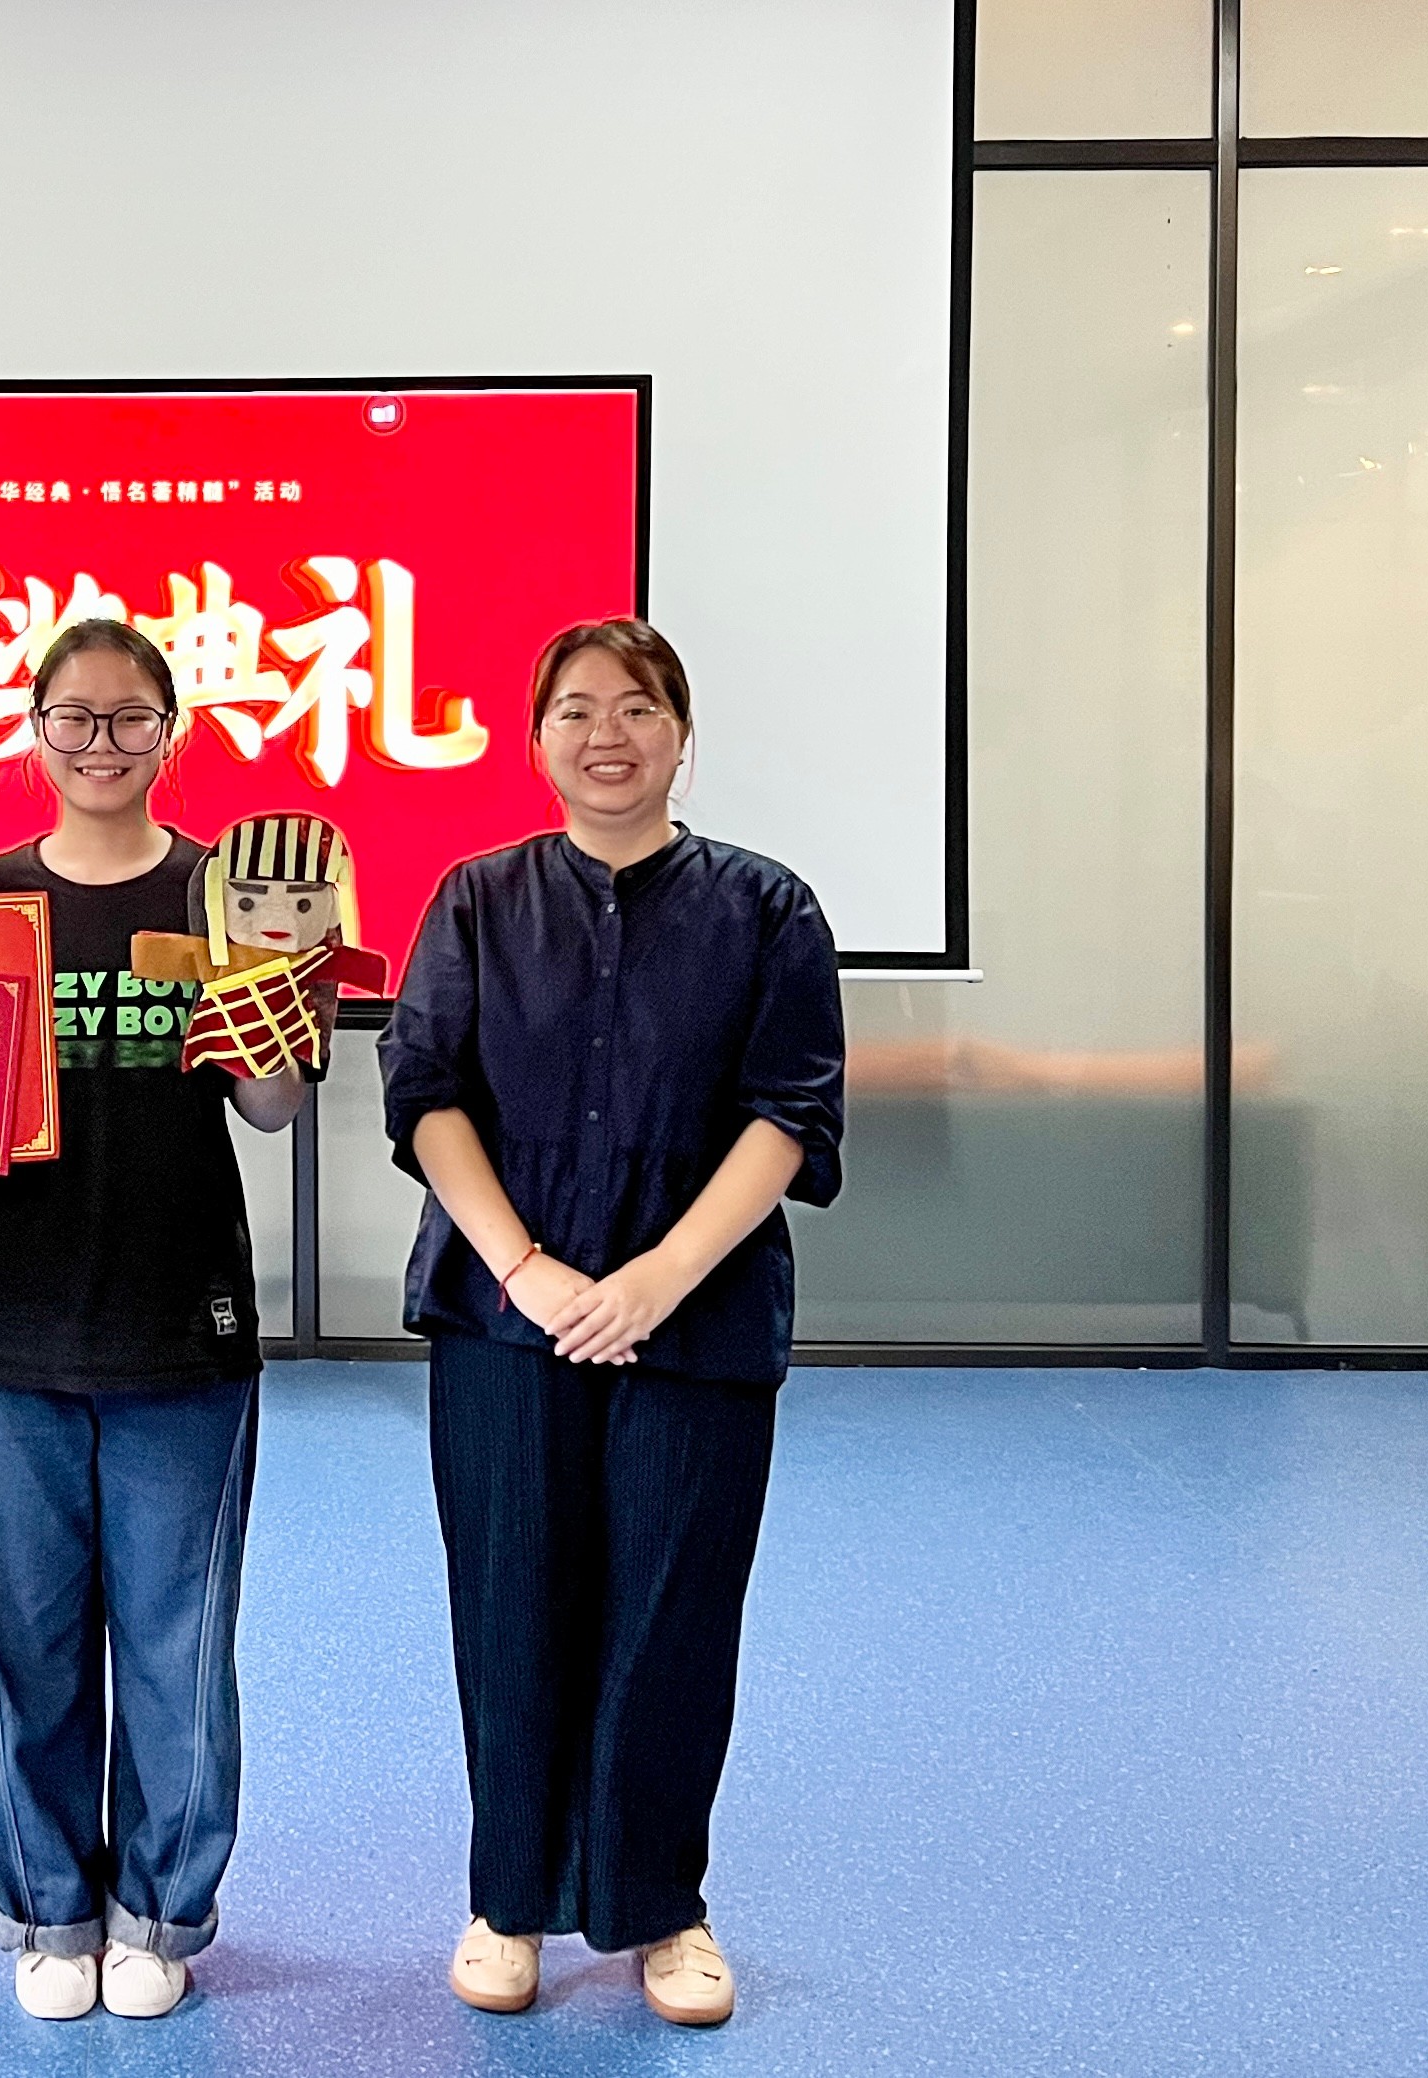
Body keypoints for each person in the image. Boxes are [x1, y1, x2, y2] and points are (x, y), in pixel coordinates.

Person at [377, 618, 844, 2029]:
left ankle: (661, 1907)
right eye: (574, 710)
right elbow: (425, 1095)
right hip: (502, 1315)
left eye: (636, 708)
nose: (606, 735)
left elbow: (789, 1113)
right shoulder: (476, 899)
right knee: (509, 1602)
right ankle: (507, 1899)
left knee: (670, 1611)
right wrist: (523, 1268)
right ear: (536, 741)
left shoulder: (767, 907)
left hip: (696, 1322)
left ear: (680, 734)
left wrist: (659, 1277)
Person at [0, 619, 306, 2022]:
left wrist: (275, 995)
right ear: (34, 731)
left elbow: (272, 1106)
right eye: (74, 717)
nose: (101, 743)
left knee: (175, 1641)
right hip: (5, 1327)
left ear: (170, 731)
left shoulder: (226, 889)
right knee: (15, 1646)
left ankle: (160, 1910)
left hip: (180, 1320)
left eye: (129, 718)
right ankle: (49, 1909)